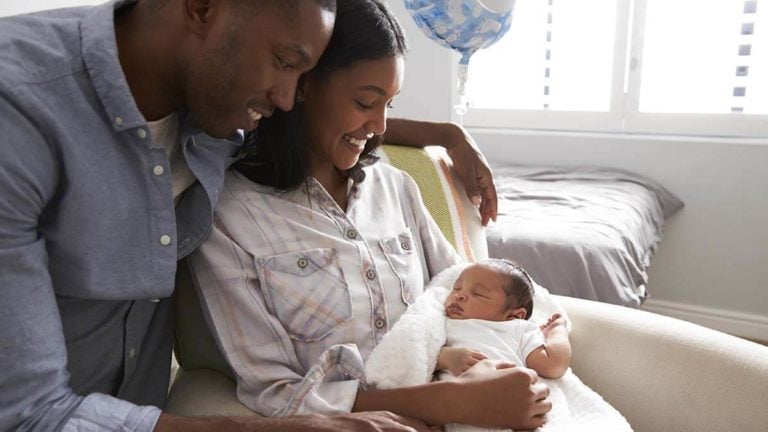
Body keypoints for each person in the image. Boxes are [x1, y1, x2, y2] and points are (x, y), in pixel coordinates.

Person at [0, 0, 499, 431]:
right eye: (284, 62)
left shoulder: (217, 101)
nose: (286, 98)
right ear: (200, 7)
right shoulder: (20, 113)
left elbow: (326, 115)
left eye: (300, 76)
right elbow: (28, 415)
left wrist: (447, 134)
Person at [187, 1, 550, 430]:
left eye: (389, 106)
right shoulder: (231, 215)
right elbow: (275, 392)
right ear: (302, 85)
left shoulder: (394, 187)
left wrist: (505, 364)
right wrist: (450, 403)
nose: (379, 126)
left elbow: (462, 290)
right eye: (365, 102)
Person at [437, 259, 572, 381]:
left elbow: (553, 366)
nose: (459, 295)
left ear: (513, 315)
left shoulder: (517, 328)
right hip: (453, 401)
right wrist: (446, 358)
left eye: (478, 293)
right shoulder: (439, 320)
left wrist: (557, 330)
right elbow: (421, 354)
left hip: (508, 399)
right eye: (456, 288)